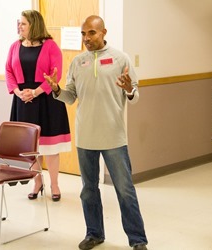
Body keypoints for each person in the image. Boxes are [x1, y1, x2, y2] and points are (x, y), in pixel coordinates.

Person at [44, 15, 148, 250]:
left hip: (113, 137)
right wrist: (57, 89)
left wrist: (129, 89)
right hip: (86, 137)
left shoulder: (120, 58)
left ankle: (138, 240)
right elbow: (70, 96)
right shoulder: (78, 62)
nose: (86, 38)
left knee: (125, 190)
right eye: (83, 34)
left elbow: (135, 96)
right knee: (88, 190)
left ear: (103, 33)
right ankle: (94, 234)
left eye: (91, 33)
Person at [5, 10, 71, 202]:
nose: (20, 27)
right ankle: (37, 181)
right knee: (31, 147)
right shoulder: (14, 46)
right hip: (22, 100)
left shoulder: (50, 46)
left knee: (49, 147)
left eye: (23, 23)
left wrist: (34, 92)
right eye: (19, 23)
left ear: (34, 25)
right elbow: (8, 71)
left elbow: (55, 75)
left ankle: (55, 184)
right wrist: (18, 92)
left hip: (46, 100)